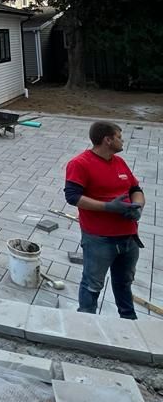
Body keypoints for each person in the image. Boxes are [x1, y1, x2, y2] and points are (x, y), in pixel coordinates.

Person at [64, 121, 145, 319]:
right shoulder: (80, 164)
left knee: (124, 282)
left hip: (129, 237)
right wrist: (108, 207)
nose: (122, 140)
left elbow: (135, 189)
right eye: (119, 136)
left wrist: (138, 207)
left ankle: (129, 321)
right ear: (107, 140)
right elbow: (72, 197)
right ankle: (86, 320)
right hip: (100, 239)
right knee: (93, 284)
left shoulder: (119, 162)